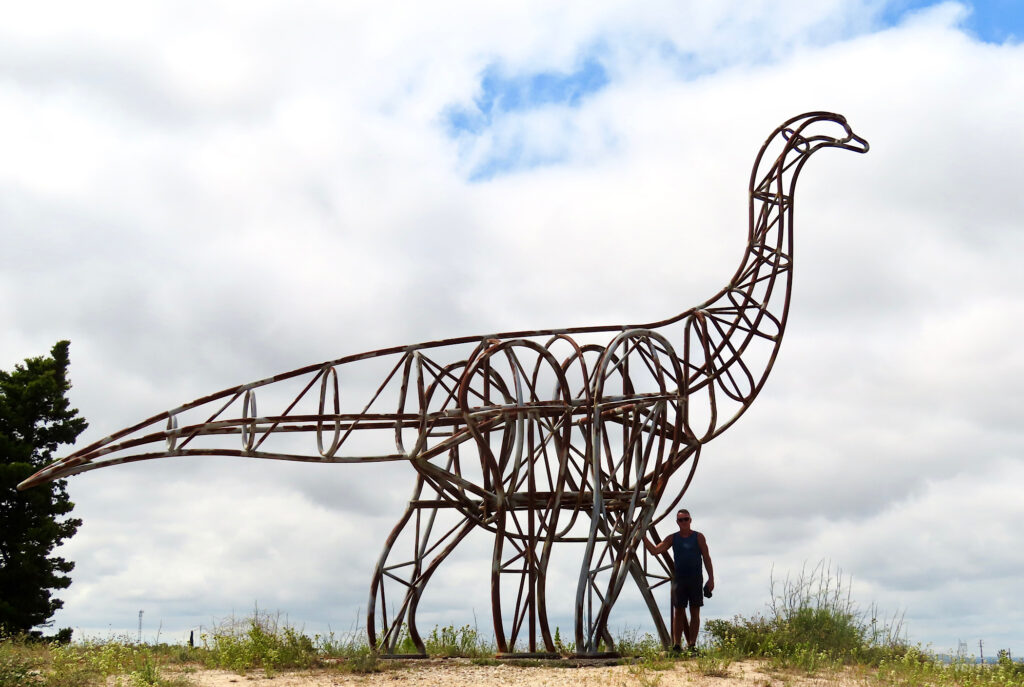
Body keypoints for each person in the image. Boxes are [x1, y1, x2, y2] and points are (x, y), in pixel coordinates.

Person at [644, 508, 714, 652]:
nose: (683, 522)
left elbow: (706, 558)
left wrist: (711, 579)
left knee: (695, 612)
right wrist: (642, 536)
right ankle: (676, 645)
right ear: (677, 522)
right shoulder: (673, 538)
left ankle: (692, 645)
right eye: (681, 520)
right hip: (679, 580)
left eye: (686, 519)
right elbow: (655, 551)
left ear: (690, 520)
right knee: (678, 612)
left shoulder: (699, 537)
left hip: (695, 579)